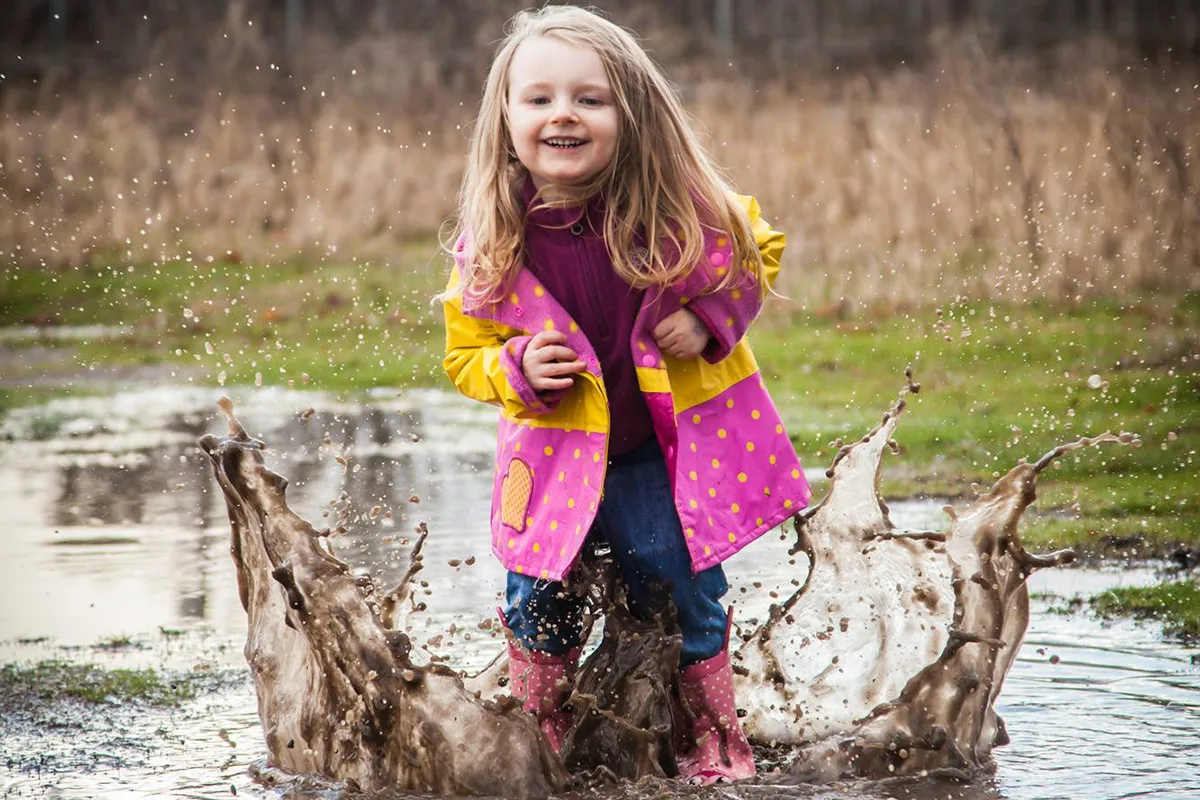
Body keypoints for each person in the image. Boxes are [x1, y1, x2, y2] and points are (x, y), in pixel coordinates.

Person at [441, 5, 810, 784]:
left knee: (676, 583)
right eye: (537, 99)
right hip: (548, 461)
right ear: (505, 118)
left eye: (589, 99)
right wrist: (511, 370)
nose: (562, 114)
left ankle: (707, 735)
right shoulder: (495, 238)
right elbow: (464, 352)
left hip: (654, 457)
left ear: (631, 113)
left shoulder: (673, 211)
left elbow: (759, 248)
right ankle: (542, 736)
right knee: (538, 598)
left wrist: (708, 317)